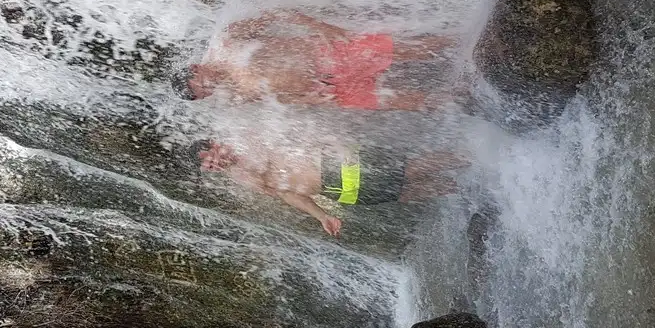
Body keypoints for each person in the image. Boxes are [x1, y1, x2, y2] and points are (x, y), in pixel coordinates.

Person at [183, 10, 455, 111]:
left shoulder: (227, 41)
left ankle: (464, 42)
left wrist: (322, 27)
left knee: (411, 50)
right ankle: (463, 98)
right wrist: (307, 100)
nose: (208, 91)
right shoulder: (230, 94)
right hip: (329, 90)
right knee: (403, 102)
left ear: (196, 68)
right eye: (203, 95)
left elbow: (276, 15)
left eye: (201, 85)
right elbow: (274, 98)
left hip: (328, 55)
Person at [197, 140, 460, 236]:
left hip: (338, 164)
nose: (214, 164)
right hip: (337, 190)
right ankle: (467, 186)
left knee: (410, 168)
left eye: (210, 158)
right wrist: (322, 215)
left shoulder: (245, 138)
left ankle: (473, 157)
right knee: (402, 193)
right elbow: (288, 194)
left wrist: (338, 144)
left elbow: (300, 130)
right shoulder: (242, 178)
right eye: (209, 167)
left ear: (214, 144)